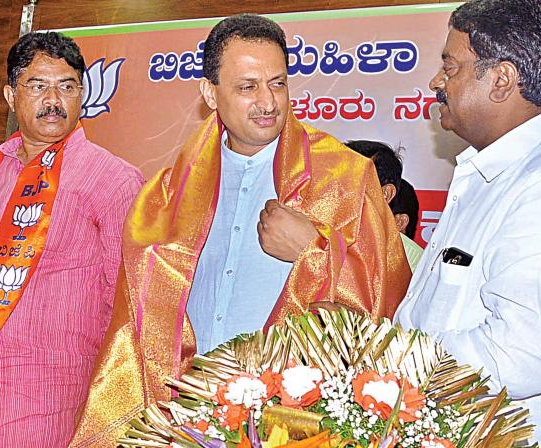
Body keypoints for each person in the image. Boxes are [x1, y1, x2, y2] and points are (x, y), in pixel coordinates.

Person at [72, 14, 410, 447]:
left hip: (295, 420)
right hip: (185, 415)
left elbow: (390, 300)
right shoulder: (166, 195)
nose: (268, 102)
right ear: (210, 94)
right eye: (247, 87)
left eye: (278, 83)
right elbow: (135, 328)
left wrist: (316, 253)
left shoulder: (344, 178)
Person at [0, 32, 143, 447]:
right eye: (37, 86)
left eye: (67, 86)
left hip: (43, 399)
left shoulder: (113, 180)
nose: (54, 99)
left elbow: (127, 304)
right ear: (10, 96)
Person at [395, 0, 541, 445]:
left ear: (502, 80)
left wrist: (390, 357)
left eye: (451, 68)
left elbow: (520, 354)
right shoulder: (487, 175)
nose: (436, 82)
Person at [345, 140, 423, 271]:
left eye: (351, 184)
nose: (338, 193)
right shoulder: (318, 241)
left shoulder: (413, 261)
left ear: (386, 193)